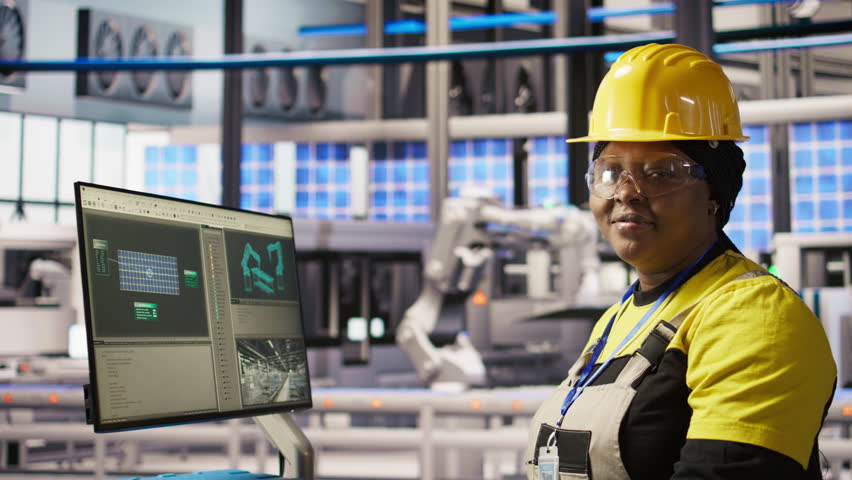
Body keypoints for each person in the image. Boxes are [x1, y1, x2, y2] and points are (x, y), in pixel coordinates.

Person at [525, 43, 837, 479]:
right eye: (611, 170)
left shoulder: (753, 316)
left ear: (715, 193)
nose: (627, 191)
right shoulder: (621, 317)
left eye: (662, 171)